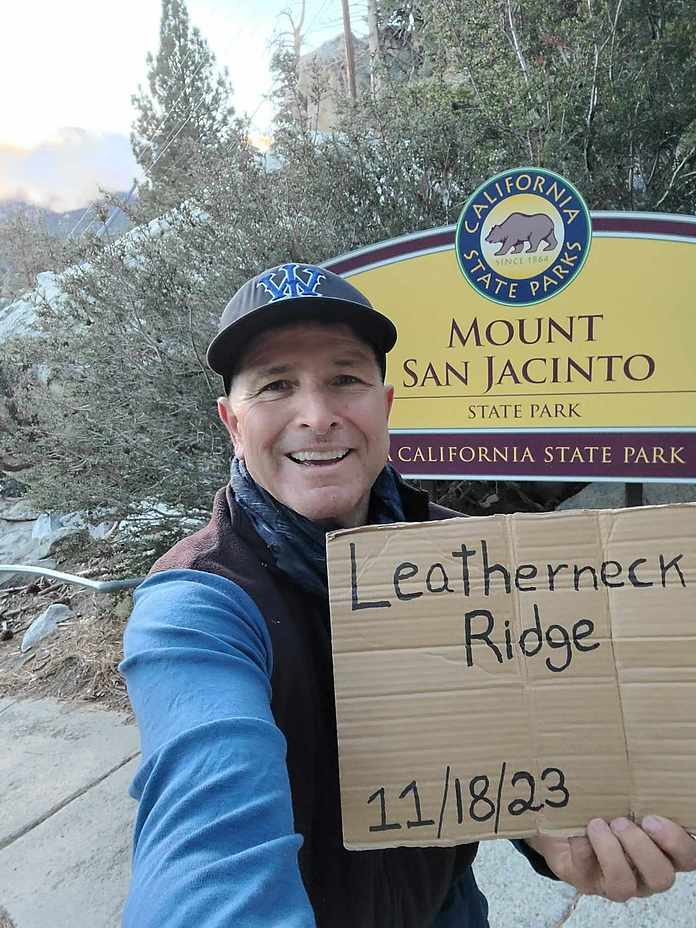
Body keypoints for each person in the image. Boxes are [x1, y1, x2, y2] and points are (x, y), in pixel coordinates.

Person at [120, 263, 696, 927]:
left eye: (345, 379)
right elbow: (206, 851)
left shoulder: (475, 563)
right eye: (277, 385)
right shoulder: (196, 607)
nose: (318, 415)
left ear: (384, 404)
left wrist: (554, 834)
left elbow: (520, 742)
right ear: (231, 422)